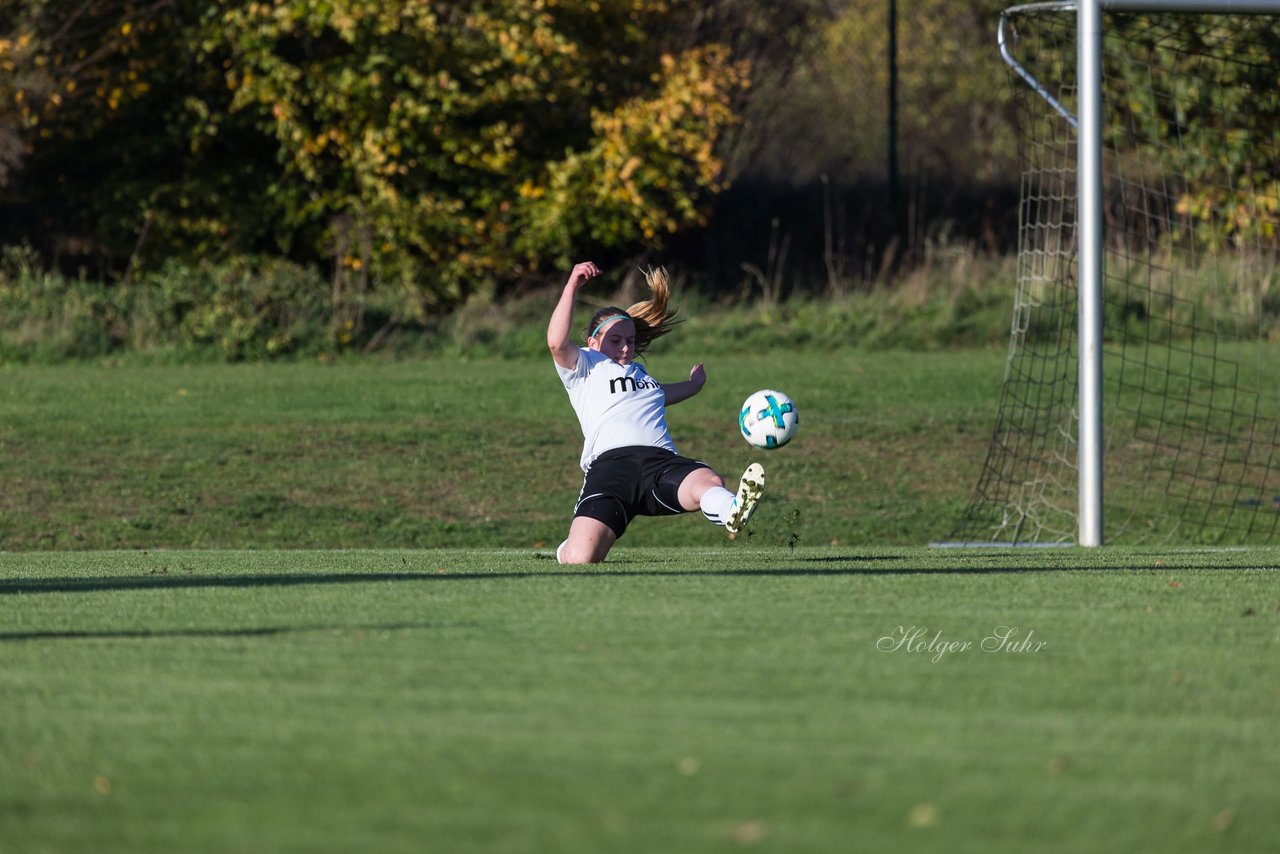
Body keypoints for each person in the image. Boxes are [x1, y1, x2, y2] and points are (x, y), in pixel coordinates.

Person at [547, 260, 765, 564]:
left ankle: (732, 510)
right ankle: (568, 547)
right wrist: (572, 285)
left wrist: (694, 384)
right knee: (581, 559)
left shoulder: (645, 380)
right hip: (612, 469)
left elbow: (666, 394)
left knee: (707, 481)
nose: (625, 348)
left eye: (631, 341)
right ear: (592, 342)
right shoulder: (585, 366)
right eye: (615, 340)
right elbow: (556, 342)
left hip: (660, 463)